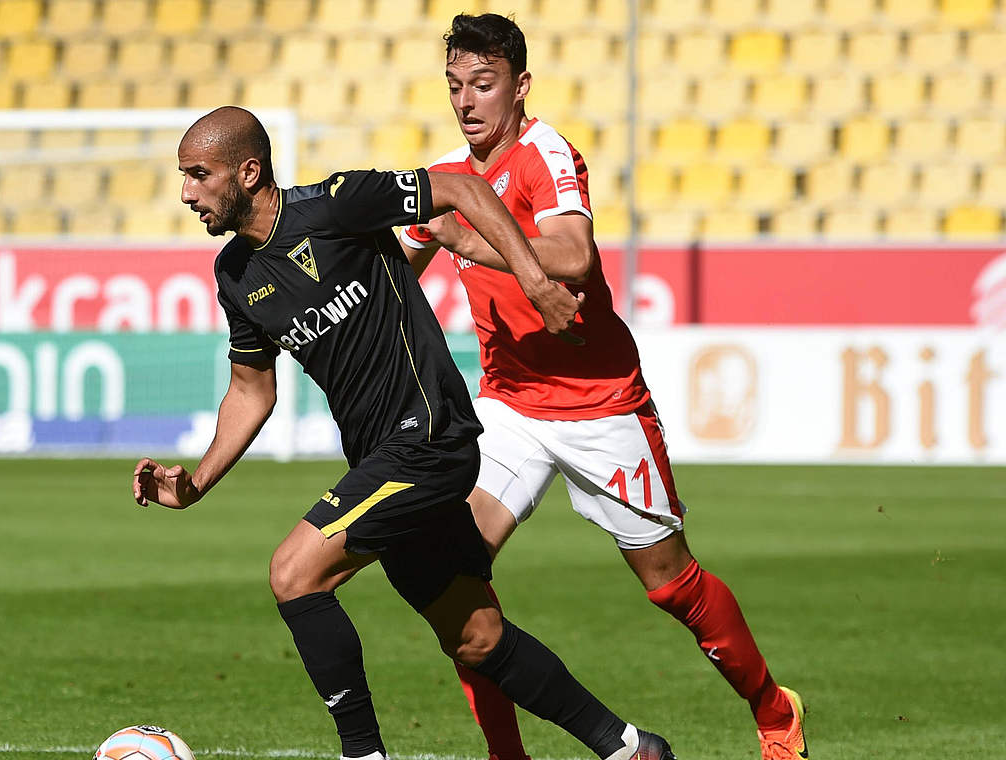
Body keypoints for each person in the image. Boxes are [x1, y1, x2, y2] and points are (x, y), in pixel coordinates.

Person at [133, 106, 674, 760]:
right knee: (475, 636)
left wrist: (534, 279)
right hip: (384, 459)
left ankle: (363, 755)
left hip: (429, 437)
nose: (187, 192)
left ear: (248, 172)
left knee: (293, 573)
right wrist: (195, 484)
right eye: (184, 176)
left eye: (199, 174)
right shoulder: (236, 276)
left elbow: (465, 189)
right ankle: (628, 747)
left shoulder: (336, 205)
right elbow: (252, 391)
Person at [397, 14, 808, 760]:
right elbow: (398, 267)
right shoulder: (449, 176)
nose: (466, 100)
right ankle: (505, 752)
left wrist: (464, 237)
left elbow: (575, 252)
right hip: (510, 408)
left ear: (520, 87)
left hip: (600, 404)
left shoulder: (542, 153)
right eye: (455, 85)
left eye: (483, 85)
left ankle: (773, 707)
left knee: (671, 584)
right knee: (451, 583)